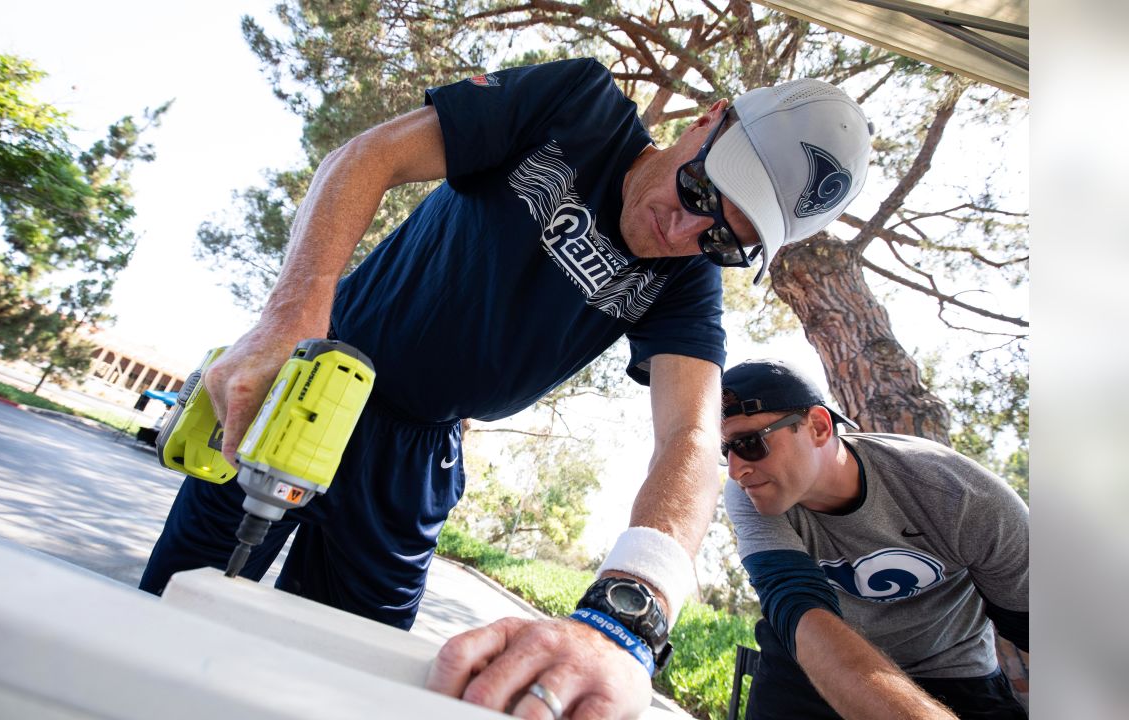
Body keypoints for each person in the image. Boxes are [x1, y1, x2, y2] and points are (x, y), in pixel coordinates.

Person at [140, 58, 873, 719]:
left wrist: (633, 611)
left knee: (340, 694)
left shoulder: (684, 287)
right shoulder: (576, 105)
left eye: (722, 239)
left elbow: (687, 439)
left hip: (415, 462)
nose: (683, 231)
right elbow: (369, 156)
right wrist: (289, 317)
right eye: (697, 188)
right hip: (312, 386)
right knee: (160, 627)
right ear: (708, 120)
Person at [720, 358, 1029, 719]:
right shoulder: (749, 494)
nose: (737, 469)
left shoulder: (959, 494)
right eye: (725, 449)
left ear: (819, 427)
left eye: (750, 443)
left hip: (952, 670)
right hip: (812, 657)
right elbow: (796, 603)